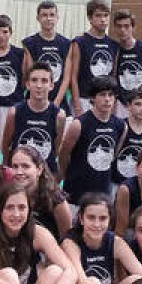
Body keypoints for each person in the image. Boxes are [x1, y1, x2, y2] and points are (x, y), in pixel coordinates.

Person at [58, 75, 124, 206]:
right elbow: (63, 155)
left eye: (111, 95)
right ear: (93, 98)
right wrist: (67, 177)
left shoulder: (121, 126)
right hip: (76, 193)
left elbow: (114, 155)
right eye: (102, 94)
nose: (107, 99)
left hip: (103, 194)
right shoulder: (79, 124)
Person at [1, 62, 65, 173]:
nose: (39, 85)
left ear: (51, 85)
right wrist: (7, 170)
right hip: (19, 172)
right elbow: (6, 145)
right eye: (34, 80)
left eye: (44, 81)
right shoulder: (15, 112)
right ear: (27, 84)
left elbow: (56, 147)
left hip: (46, 173)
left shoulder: (59, 115)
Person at [59, 0, 118, 115]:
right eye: (98, 16)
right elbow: (73, 77)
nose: (103, 19)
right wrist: (77, 105)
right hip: (84, 99)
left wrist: (113, 101)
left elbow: (113, 76)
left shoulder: (114, 44)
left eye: (106, 15)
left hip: (106, 100)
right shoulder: (79, 42)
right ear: (90, 18)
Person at [21, 0, 72, 101]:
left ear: (57, 18)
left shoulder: (67, 43)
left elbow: (66, 78)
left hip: (58, 100)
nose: (48, 18)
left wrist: (56, 103)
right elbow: (30, 75)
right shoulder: (29, 43)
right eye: (44, 15)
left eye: (52, 15)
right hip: (35, 99)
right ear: (38, 18)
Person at [112, 9, 142, 111]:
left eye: (126, 26)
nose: (123, 30)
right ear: (115, 28)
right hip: (122, 105)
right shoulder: (115, 50)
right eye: (119, 26)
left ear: (133, 28)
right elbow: (114, 79)